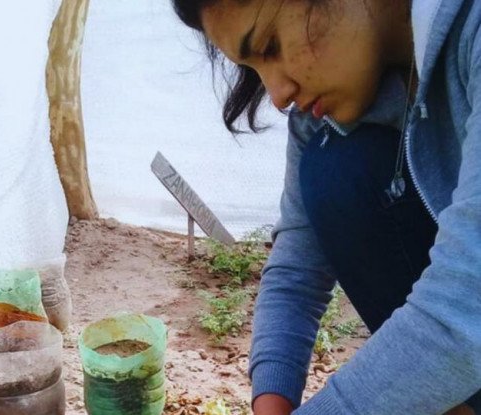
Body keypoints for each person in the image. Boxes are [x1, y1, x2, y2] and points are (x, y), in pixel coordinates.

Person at [171, 0, 481, 414]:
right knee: (332, 167)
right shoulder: (322, 110)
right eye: (254, 70)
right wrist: (271, 398)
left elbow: (466, 303)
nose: (278, 96)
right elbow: (297, 265)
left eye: (270, 45)